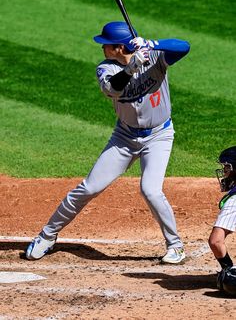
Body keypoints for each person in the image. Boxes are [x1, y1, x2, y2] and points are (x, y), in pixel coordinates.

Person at [26, 21, 190, 264]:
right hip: (124, 138)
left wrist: (151, 43)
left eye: (106, 45)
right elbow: (113, 88)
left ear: (119, 47)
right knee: (89, 187)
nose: (102, 48)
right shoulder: (106, 69)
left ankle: (175, 246)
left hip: (159, 136)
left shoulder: (155, 57)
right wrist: (132, 67)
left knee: (150, 190)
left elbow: (184, 47)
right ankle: (47, 236)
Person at [208, 146, 236, 293]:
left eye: (227, 168)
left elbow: (215, 242)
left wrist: (228, 268)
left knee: (230, 281)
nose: (224, 173)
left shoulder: (234, 201)